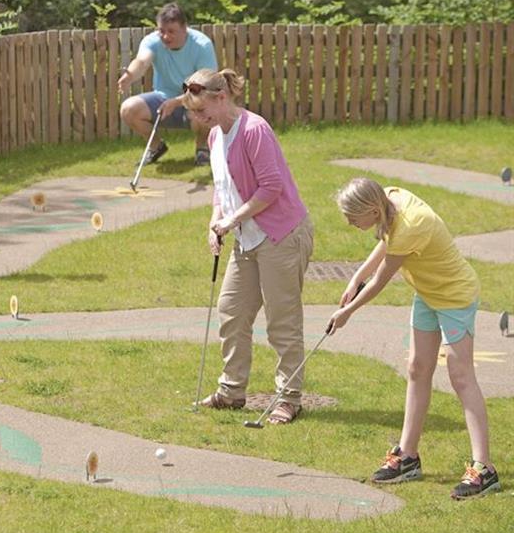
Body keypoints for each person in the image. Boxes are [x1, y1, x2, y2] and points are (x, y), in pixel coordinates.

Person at [328, 178, 500, 500]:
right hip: (427, 292)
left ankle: (484, 467)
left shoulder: (410, 224)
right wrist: (355, 277)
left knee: (461, 376)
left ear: (372, 209)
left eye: (353, 218)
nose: (351, 224)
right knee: (417, 367)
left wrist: (348, 311)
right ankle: (407, 456)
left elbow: (382, 279)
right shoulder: (390, 198)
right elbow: (385, 244)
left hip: (454, 296)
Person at [185, 68, 314, 425]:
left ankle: (289, 398)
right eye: (194, 113)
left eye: (202, 111)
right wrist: (217, 222)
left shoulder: (254, 130)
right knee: (232, 310)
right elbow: (222, 186)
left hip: (281, 235)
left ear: (221, 97)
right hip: (247, 238)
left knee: (281, 321)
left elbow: (271, 188)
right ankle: (231, 390)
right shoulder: (215, 136)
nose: (198, 120)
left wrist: (233, 220)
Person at [118, 3, 217, 166]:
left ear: (184, 28)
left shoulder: (202, 44)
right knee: (128, 109)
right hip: (162, 100)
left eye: (171, 31)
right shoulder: (152, 41)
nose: (165, 36)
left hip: (194, 99)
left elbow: (205, 86)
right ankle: (156, 147)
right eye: (161, 31)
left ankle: (202, 149)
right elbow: (142, 61)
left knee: (204, 107)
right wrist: (129, 75)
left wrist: (177, 102)